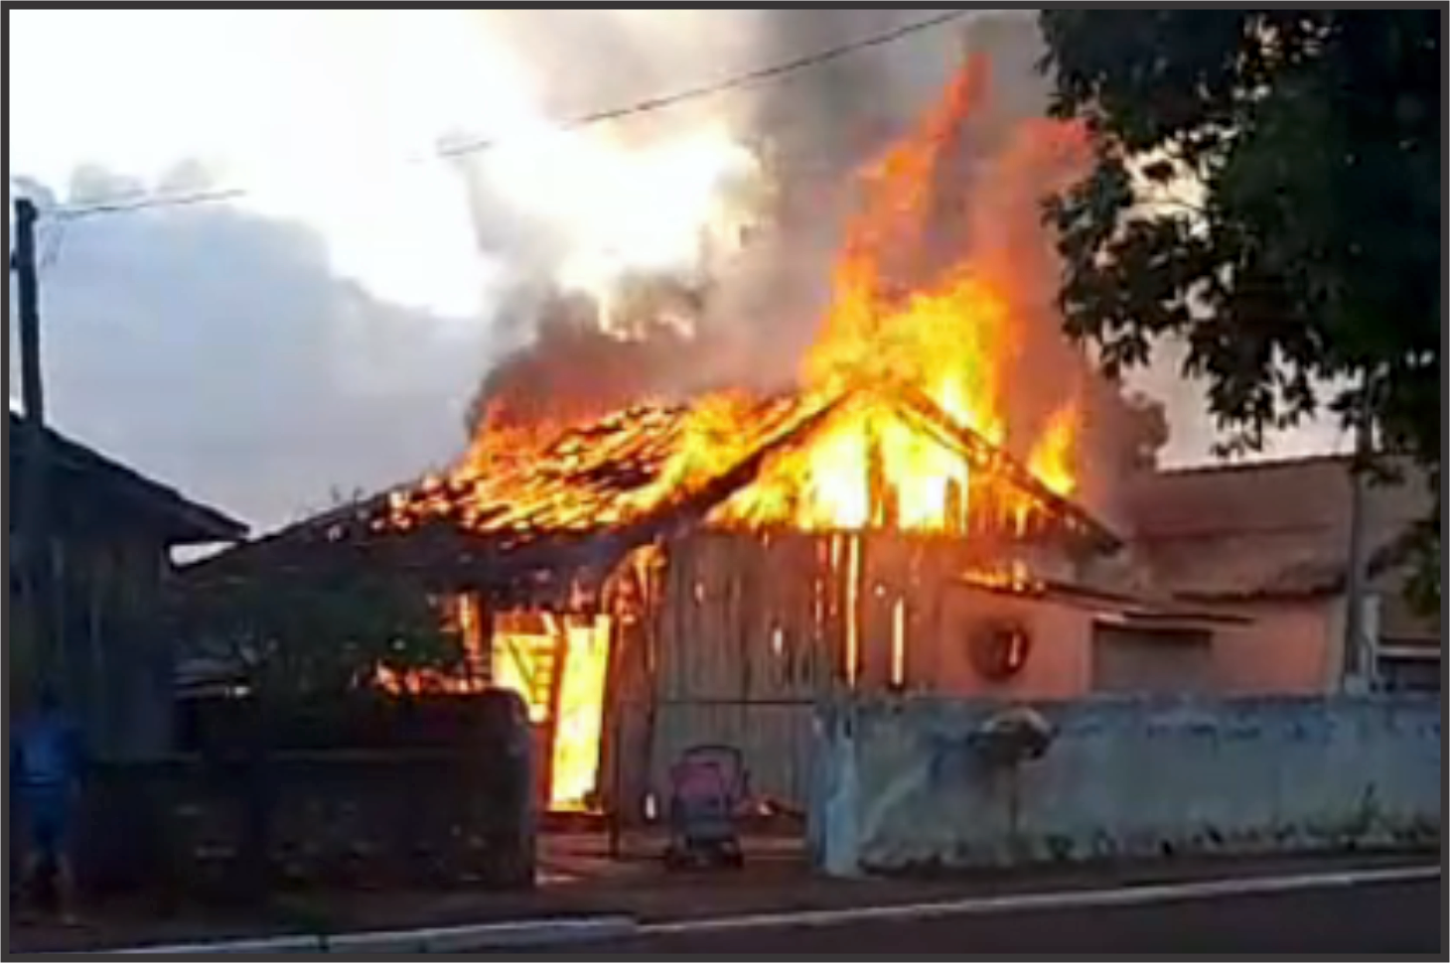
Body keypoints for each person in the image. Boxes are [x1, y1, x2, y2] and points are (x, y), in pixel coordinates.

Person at [12, 684, 85, 925]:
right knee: (62, 855)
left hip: (31, 793)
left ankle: (25, 908)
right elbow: (77, 761)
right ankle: (67, 911)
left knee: (32, 854)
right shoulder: (68, 727)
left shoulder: (23, 728)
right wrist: (75, 786)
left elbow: (15, 763)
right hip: (58, 793)